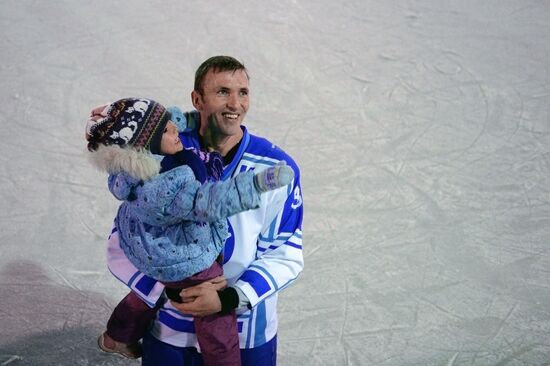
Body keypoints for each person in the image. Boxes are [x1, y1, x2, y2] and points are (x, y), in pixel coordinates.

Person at [105, 56, 304, 366]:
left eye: (243, 92)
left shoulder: (276, 169)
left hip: (245, 336)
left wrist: (227, 299)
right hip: (169, 331)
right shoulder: (158, 154)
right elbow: (126, 236)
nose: (235, 104)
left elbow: (285, 251)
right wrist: (172, 288)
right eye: (222, 92)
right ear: (197, 99)